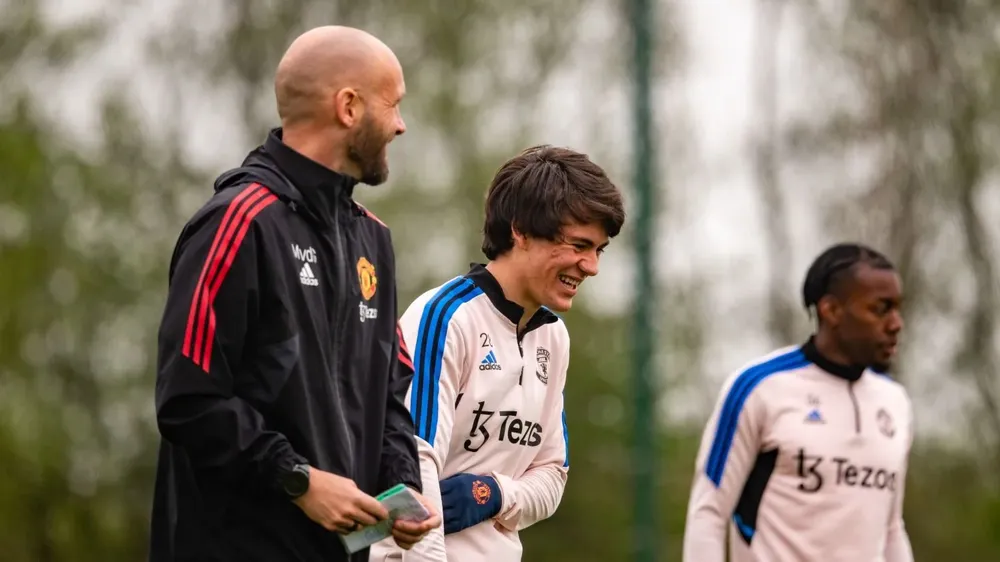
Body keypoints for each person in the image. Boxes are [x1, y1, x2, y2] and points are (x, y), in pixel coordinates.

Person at [148, 25, 440, 562]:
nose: (401, 124)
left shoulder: (373, 239)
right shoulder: (238, 222)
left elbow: (390, 391)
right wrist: (298, 479)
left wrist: (401, 484)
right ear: (348, 107)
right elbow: (188, 401)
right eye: (393, 104)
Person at [368, 145, 627, 562]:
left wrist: (494, 493)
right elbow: (412, 467)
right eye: (579, 245)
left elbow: (552, 477)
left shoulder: (553, 337)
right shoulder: (445, 317)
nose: (591, 266)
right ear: (520, 231)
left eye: (599, 250)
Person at [681, 243, 914, 562]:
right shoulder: (759, 387)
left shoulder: (895, 401)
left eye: (898, 308)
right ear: (831, 310)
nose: (896, 323)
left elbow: (891, 528)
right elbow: (708, 514)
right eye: (880, 309)